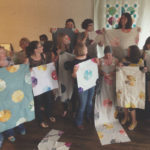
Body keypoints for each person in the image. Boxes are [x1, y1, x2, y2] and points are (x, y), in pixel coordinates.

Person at [26, 41, 56, 128]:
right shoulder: (28, 59)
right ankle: (40, 120)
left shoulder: (44, 56)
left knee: (48, 100)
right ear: (35, 50)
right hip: (35, 85)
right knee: (38, 102)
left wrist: (51, 65)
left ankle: (49, 114)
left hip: (45, 83)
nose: (42, 47)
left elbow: (46, 67)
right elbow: (23, 73)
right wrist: (28, 70)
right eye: (40, 46)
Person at [0, 47, 26, 142]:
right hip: (2, 93)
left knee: (16, 109)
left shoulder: (10, 61)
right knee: (5, 113)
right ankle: (9, 133)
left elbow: (17, 72)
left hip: (13, 90)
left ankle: (20, 127)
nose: (2, 54)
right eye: (0, 53)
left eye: (3, 52)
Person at [119, 45, 147, 130]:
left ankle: (134, 121)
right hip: (125, 85)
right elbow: (121, 69)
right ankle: (126, 117)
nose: (127, 52)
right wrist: (120, 65)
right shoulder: (124, 59)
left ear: (133, 52)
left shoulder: (140, 61)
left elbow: (142, 73)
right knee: (124, 102)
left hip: (135, 87)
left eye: (129, 51)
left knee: (131, 105)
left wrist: (144, 70)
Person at [72, 42, 96, 130]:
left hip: (91, 84)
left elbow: (94, 68)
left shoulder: (89, 57)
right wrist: (74, 71)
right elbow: (73, 76)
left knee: (90, 102)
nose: (87, 49)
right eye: (86, 48)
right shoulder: (75, 62)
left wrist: (97, 62)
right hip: (81, 86)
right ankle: (79, 122)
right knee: (82, 104)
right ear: (82, 50)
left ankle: (88, 116)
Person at [94, 46, 118, 126]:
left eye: (110, 54)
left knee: (112, 97)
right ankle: (102, 114)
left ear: (112, 53)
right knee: (103, 97)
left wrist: (112, 73)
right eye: (106, 54)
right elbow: (98, 70)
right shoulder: (100, 60)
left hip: (113, 82)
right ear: (104, 54)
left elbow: (118, 70)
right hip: (103, 82)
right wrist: (102, 73)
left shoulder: (116, 60)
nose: (108, 56)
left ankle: (111, 114)